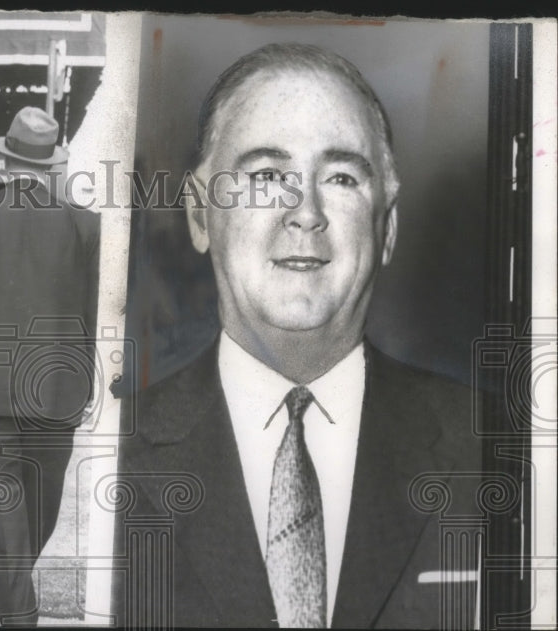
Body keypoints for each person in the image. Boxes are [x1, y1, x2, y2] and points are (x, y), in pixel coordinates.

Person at [113, 44, 484, 628]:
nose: (304, 211)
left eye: (340, 176)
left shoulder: (499, 451)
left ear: (386, 227)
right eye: (266, 175)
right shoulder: (110, 457)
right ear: (199, 215)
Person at [0, 106, 101, 626]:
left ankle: (15, 598)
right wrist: (87, 372)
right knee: (40, 498)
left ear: (3, 160)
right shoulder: (85, 222)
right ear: (52, 165)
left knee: (0, 498)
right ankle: (17, 604)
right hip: (59, 381)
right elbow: (90, 306)